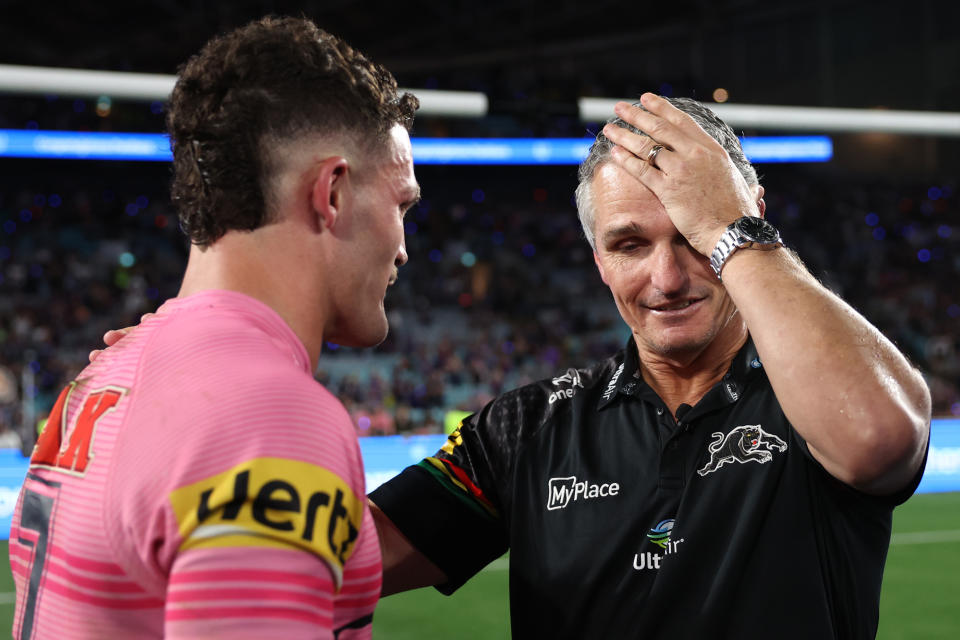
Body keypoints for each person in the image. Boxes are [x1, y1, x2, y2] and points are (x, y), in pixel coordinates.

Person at [367, 95, 931, 638]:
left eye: (693, 236)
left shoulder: (808, 406)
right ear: (599, 263)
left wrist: (731, 230)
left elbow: (878, 437)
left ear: (752, 222)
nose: (666, 280)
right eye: (630, 245)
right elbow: (338, 560)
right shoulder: (526, 429)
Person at [10, 16, 418, 639]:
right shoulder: (269, 417)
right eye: (401, 206)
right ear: (332, 192)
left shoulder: (101, 376)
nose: (403, 249)